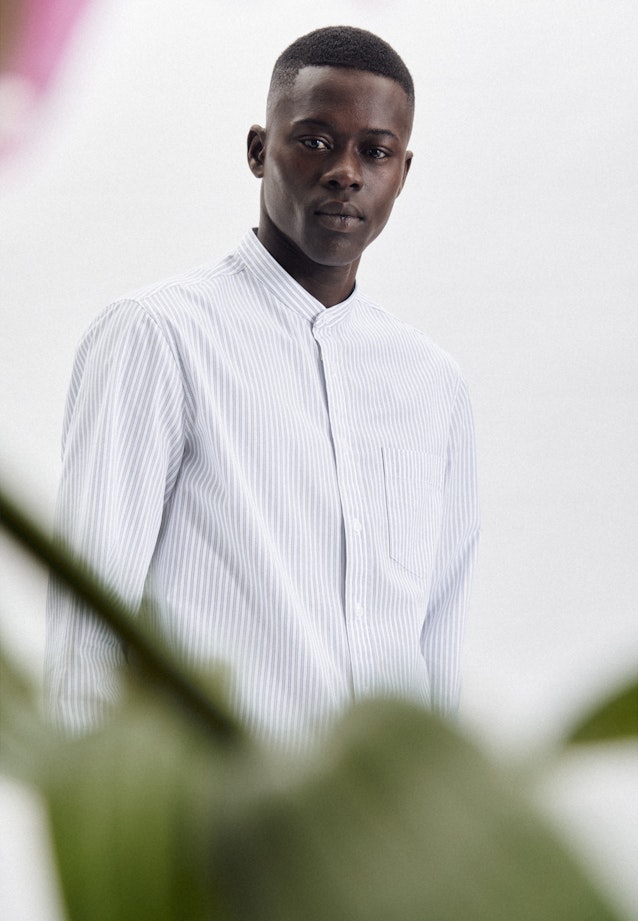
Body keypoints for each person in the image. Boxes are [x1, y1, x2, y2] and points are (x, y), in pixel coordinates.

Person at [44, 25, 480, 751]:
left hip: (377, 813)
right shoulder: (158, 336)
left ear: (403, 172)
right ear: (258, 150)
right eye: (314, 140)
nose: (345, 172)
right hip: (211, 806)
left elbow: (437, 643)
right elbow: (89, 620)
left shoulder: (432, 383)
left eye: (375, 151)